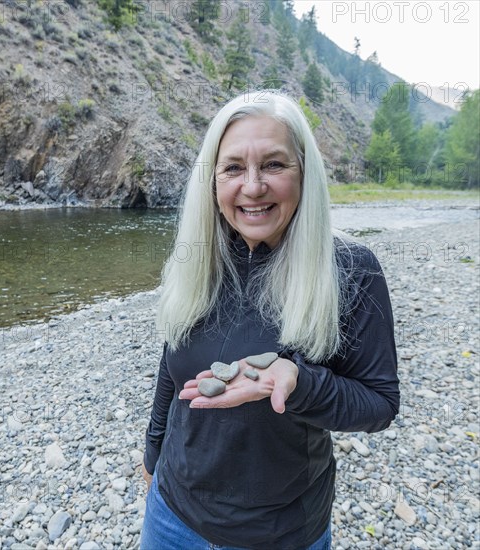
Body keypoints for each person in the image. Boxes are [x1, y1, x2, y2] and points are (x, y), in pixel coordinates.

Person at [139, 90, 400, 550]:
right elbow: (172, 362)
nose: (253, 186)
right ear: (213, 179)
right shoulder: (197, 258)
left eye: (274, 165)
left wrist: (299, 382)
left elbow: (379, 403)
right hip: (172, 517)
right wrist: (153, 453)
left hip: (281, 533)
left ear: (305, 172)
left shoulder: (352, 269)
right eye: (234, 167)